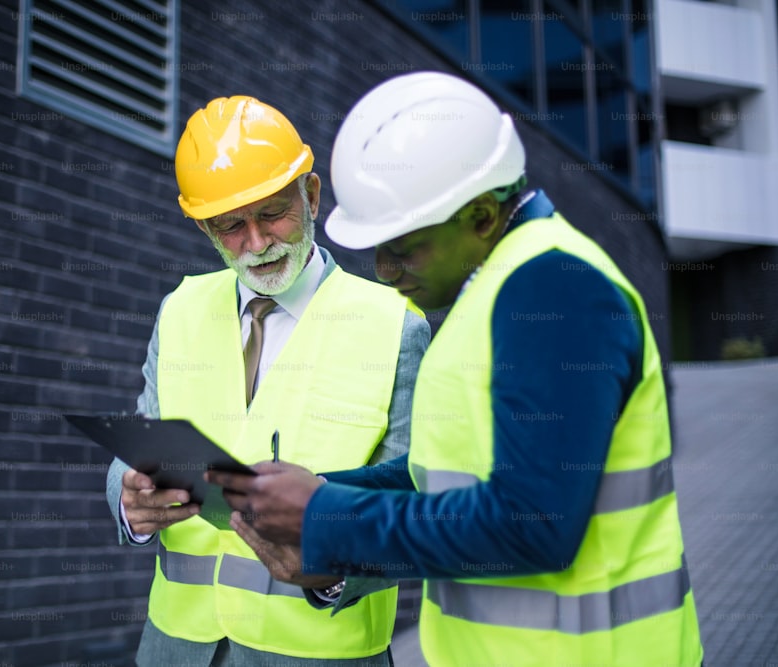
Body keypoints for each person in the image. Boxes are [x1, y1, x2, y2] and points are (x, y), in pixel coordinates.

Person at [207, 72, 704, 667]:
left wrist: (326, 518)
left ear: (482, 217)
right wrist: (306, 491)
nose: (385, 270)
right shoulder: (493, 291)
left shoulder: (557, 293)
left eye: (403, 246)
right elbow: (441, 476)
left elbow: (533, 523)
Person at [104, 94, 430, 666]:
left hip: (320, 655)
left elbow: (419, 497)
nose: (256, 243)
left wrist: (332, 567)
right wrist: (129, 502)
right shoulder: (179, 310)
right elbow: (141, 440)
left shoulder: (394, 325)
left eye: (272, 213)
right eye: (229, 226)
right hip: (176, 651)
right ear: (204, 225)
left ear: (311, 195)